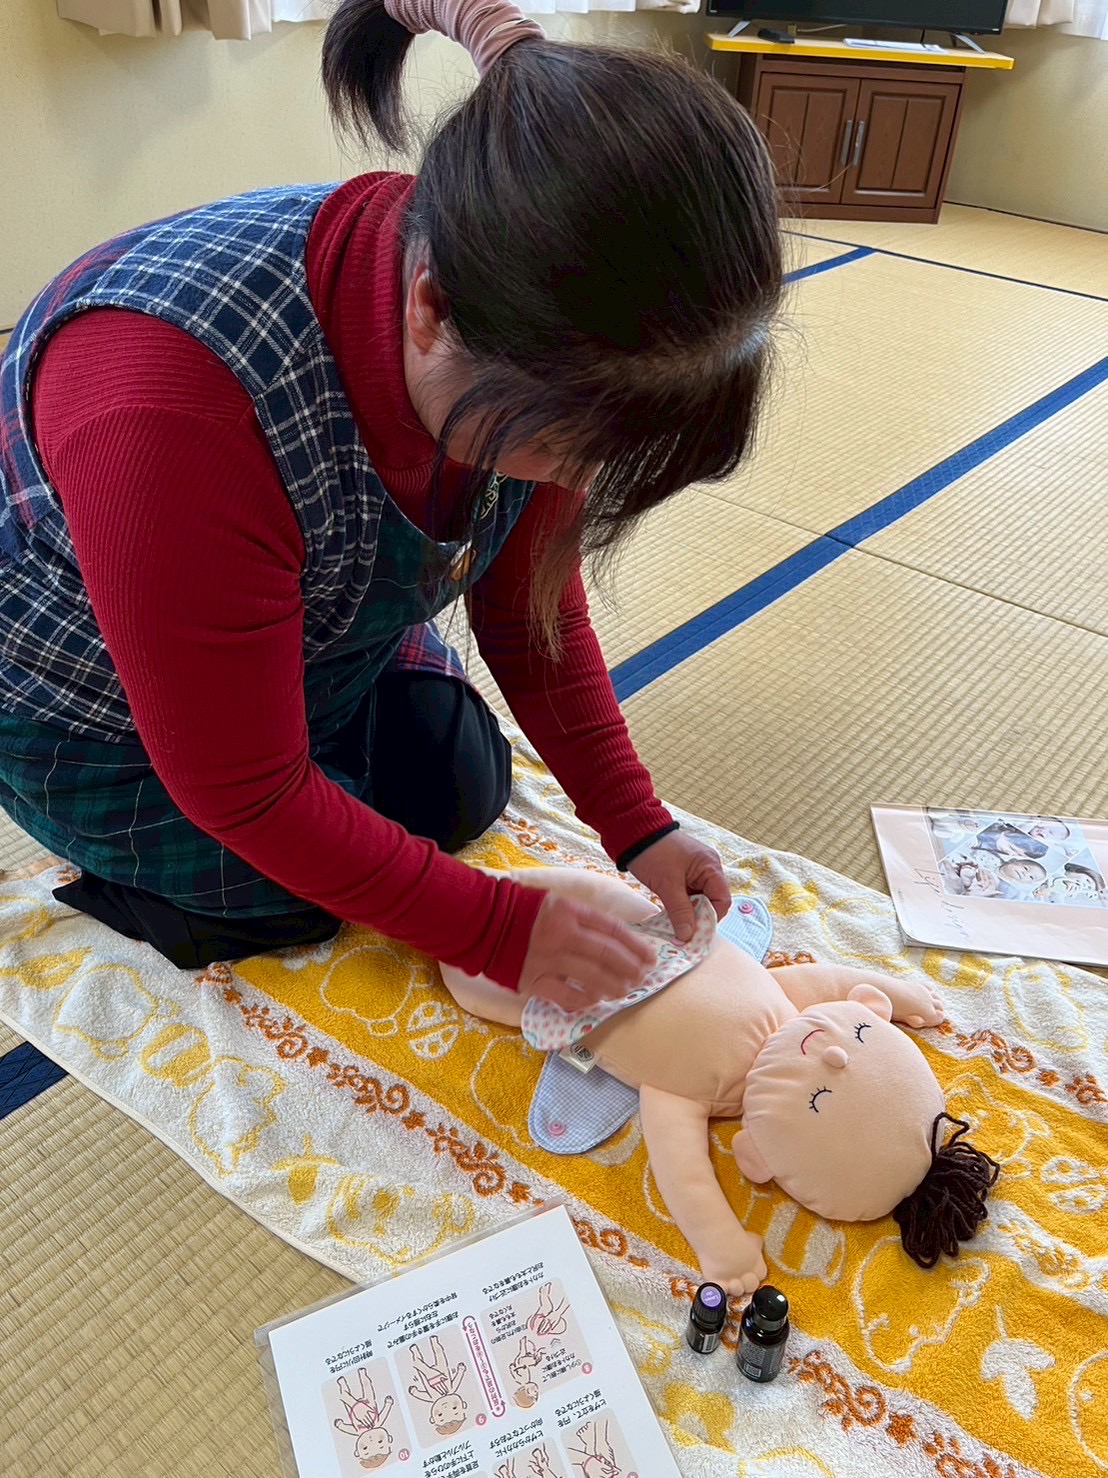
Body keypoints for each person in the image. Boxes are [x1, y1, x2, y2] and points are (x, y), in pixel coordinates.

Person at [0, 0, 782, 1006]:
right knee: (285, 892)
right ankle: (126, 874)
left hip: (307, 639)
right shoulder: (166, 397)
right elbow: (240, 788)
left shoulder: (540, 325)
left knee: (460, 788)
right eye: (554, 448)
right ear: (429, 308)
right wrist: (495, 928)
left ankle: (315, 756)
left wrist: (639, 822)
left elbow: (529, 609)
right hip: (94, 714)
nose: (565, 480)